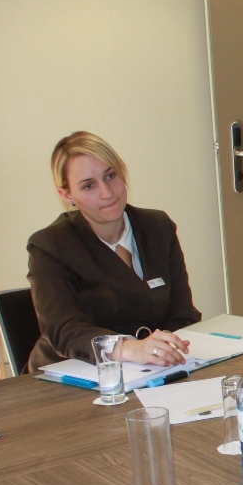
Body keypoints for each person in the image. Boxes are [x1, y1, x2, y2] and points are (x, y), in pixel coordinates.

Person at [27, 132, 201, 371]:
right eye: (89, 186)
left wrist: (167, 352)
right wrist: (128, 348)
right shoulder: (50, 245)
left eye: (110, 176)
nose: (107, 193)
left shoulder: (158, 227)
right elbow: (63, 330)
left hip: (151, 370)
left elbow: (183, 314)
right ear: (67, 195)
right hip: (75, 373)